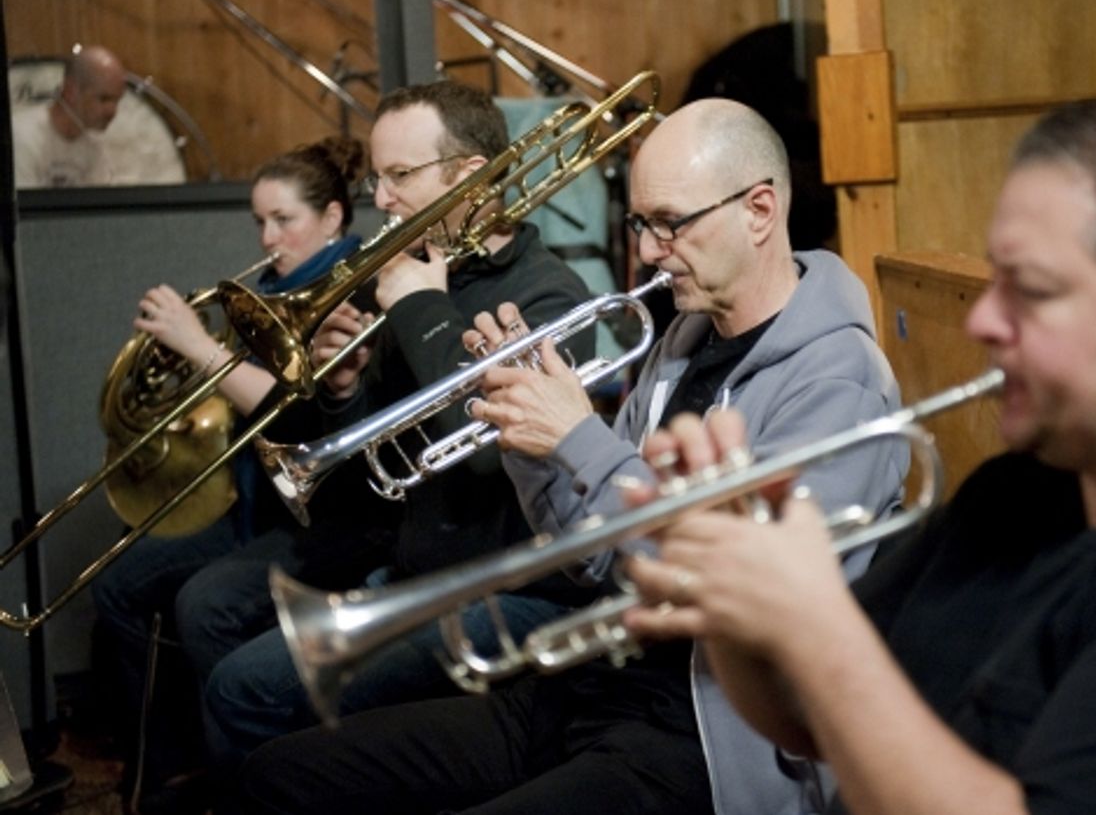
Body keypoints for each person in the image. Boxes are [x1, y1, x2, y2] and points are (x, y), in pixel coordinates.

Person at [622, 96, 1096, 814]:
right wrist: (731, 584)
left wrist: (816, 626)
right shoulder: (1022, 491)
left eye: (1029, 289)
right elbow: (801, 717)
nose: (984, 321)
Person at [237, 98, 911, 815]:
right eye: (642, 225)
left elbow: (724, 582)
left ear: (759, 210)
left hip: (704, 735)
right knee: (278, 775)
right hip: (589, 684)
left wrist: (576, 436)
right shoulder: (680, 344)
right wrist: (523, 427)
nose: (649, 251)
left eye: (670, 224)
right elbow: (594, 554)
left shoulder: (838, 380)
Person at [189, 80, 595, 778]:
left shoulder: (547, 293)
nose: (381, 198)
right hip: (412, 570)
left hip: (507, 590)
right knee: (239, 676)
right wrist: (343, 391)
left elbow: (484, 458)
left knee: (245, 691)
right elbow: (359, 468)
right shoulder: (412, 279)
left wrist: (423, 310)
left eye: (400, 175)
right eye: (378, 177)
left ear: (469, 176)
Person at [90, 135, 367, 807]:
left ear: (332, 218)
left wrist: (199, 345)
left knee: (203, 601)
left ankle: (241, 778)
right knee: (118, 585)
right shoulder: (268, 290)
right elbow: (237, 404)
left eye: (284, 220)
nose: (269, 236)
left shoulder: (346, 286)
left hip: (324, 517)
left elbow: (289, 411)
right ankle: (170, 763)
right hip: (252, 500)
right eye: (259, 221)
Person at [12, 44, 126, 188]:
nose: (112, 111)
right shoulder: (21, 137)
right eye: (104, 99)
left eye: (117, 101)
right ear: (71, 91)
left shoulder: (93, 148)